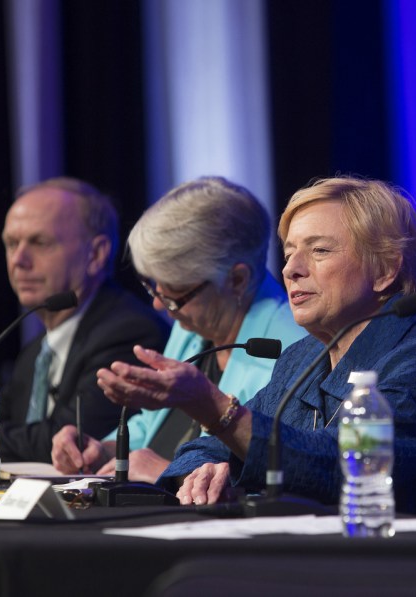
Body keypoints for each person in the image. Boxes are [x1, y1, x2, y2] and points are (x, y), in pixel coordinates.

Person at [96, 176, 416, 521]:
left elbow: (343, 467)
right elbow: (201, 450)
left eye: (319, 251)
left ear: (385, 269)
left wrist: (213, 407)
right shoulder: (301, 359)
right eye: (288, 254)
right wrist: (216, 470)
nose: (290, 269)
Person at [50, 176, 306, 483]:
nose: (160, 305)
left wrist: (168, 472)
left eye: (173, 293)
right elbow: (156, 426)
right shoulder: (193, 326)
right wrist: (104, 451)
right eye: (153, 286)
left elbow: (282, 470)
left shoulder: (296, 347)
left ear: (237, 280)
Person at [0, 177, 170, 463]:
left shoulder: (131, 333)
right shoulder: (35, 353)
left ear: (96, 254)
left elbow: (70, 440)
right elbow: (0, 423)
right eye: (11, 243)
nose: (19, 259)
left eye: (39, 242)